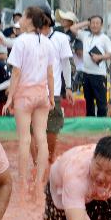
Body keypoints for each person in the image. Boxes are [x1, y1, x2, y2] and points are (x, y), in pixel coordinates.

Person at [3, 6, 55, 189]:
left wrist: (10, 98)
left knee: (25, 139)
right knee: (41, 137)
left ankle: (23, 182)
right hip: (42, 94)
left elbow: (16, 73)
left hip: (24, 96)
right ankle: (40, 181)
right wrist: (52, 96)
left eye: (23, 17)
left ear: (30, 20)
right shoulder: (47, 42)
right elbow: (50, 74)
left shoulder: (21, 41)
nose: (20, 20)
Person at [43, 10, 73, 162]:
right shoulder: (31, 37)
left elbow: (66, 64)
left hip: (52, 91)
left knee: (52, 128)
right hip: (32, 90)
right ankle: (38, 162)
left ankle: (49, 158)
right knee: (31, 131)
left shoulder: (61, 38)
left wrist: (68, 87)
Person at [70, 15, 111, 116]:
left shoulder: (104, 38)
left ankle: (101, 125)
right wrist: (87, 22)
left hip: (99, 75)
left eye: (97, 23)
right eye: (93, 23)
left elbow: (110, 54)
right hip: (86, 73)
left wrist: (100, 57)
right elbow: (73, 28)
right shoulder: (85, 35)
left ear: (101, 25)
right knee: (88, 101)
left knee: (101, 102)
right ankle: (91, 124)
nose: (94, 25)